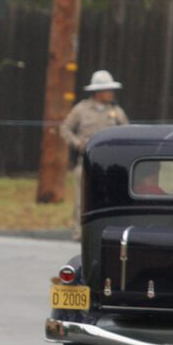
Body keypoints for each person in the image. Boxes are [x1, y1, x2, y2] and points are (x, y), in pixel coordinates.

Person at [61, 70, 130, 238]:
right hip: (86, 162)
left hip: (111, 164)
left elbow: (128, 131)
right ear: (99, 92)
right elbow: (65, 129)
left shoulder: (116, 112)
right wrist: (77, 144)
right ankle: (79, 232)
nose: (111, 93)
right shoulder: (81, 109)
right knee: (81, 200)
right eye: (108, 90)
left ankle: (107, 232)